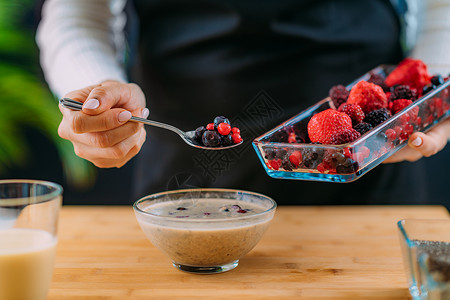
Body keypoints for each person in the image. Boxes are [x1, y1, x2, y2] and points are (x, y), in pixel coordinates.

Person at [36, 0, 450, 205]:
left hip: (369, 168)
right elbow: (77, 17)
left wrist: (432, 92)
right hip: (187, 182)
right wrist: (95, 92)